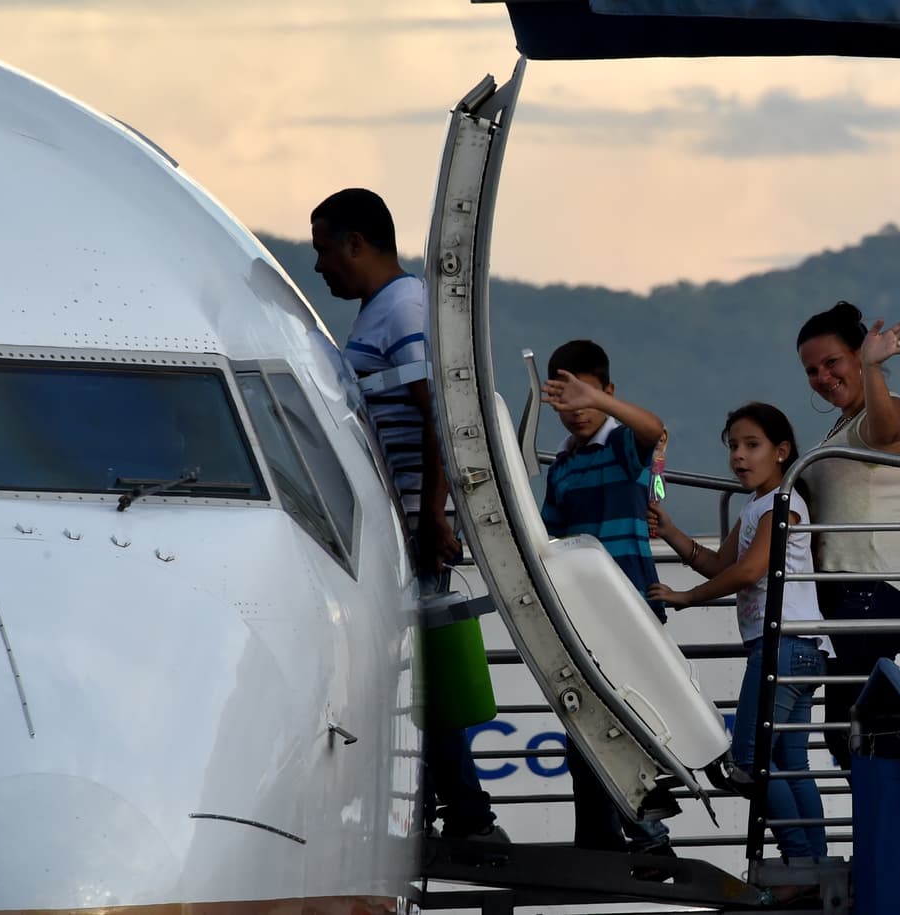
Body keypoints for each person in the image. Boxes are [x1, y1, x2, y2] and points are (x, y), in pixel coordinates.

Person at [310, 187, 506, 842]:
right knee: (411, 666)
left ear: (355, 243)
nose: (319, 267)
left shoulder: (404, 308)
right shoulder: (377, 313)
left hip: (417, 518)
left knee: (422, 666)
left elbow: (440, 414)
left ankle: (470, 817)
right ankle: (447, 809)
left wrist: (435, 514)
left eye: (323, 250)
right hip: (397, 518)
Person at [648, 403, 832, 908]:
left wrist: (683, 599)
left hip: (783, 645)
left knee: (750, 761)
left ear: (781, 451)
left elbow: (748, 572)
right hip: (800, 647)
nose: (739, 456)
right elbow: (718, 563)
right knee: (790, 762)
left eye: (751, 445)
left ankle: (798, 864)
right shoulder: (761, 506)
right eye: (733, 445)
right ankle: (813, 866)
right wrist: (671, 531)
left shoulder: (779, 505)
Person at [539, 339, 674, 861]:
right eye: (563, 401)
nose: (574, 411)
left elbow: (652, 429)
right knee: (582, 728)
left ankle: (650, 837)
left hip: (630, 608)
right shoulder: (564, 467)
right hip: (582, 614)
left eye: (584, 398)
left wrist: (603, 405)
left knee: (626, 723)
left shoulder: (620, 447)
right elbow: (547, 535)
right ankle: (599, 835)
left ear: (609, 394)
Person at [796, 301, 900, 770]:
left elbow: (884, 428)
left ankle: (892, 836)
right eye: (811, 370)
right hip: (845, 589)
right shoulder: (840, 426)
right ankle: (886, 834)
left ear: (858, 354)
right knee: (850, 731)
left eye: (833, 362)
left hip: (874, 583)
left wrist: (874, 367)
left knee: (852, 730)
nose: (823, 376)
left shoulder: (886, 414)